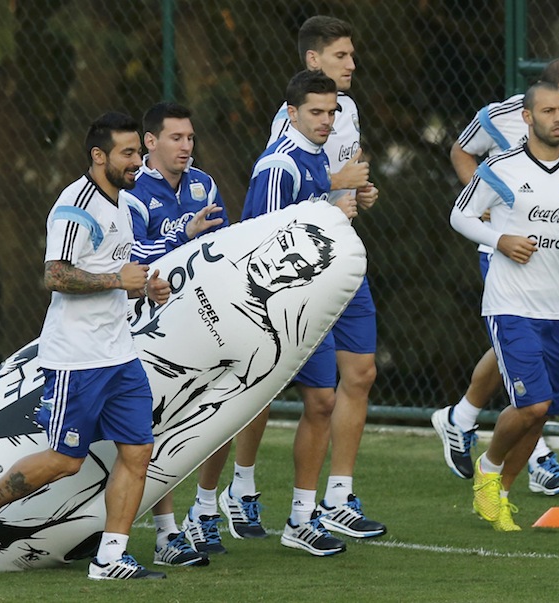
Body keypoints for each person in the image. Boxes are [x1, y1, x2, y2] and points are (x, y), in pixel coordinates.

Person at [0, 111, 173, 580]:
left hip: (119, 355)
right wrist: (117, 277)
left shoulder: (124, 205)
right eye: (127, 153)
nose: (137, 161)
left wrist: (141, 288)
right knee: (66, 461)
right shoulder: (75, 204)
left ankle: (110, 557)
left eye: (139, 152)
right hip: (77, 359)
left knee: (138, 451)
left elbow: (112, 278)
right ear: (98, 156)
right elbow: (55, 275)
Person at [218, 14, 385, 546]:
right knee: (265, 384)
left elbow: (345, 178)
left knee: (358, 374)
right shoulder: (285, 127)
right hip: (299, 274)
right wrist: (338, 190)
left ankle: (336, 498)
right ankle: (238, 488)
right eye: (341, 55)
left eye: (352, 55)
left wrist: (360, 194)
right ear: (313, 61)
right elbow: (284, 204)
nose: (351, 64)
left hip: (344, 258)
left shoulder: (347, 111)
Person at [433, 58, 559, 495]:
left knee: (534, 392)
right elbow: (461, 169)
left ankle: (462, 419)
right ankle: (527, 464)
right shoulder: (501, 134)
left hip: (554, 299)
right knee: (530, 394)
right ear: (531, 111)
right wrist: (497, 234)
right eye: (554, 108)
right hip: (503, 263)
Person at [238, 68, 356, 556]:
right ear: (291, 113)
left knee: (323, 402)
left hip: (312, 307)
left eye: (331, 112)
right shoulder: (279, 165)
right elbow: (260, 237)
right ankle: (209, 505)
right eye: (316, 112)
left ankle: (303, 518)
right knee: (243, 405)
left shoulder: (319, 160)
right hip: (273, 309)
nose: (326, 120)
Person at [119, 101, 227, 565]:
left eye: (190, 138)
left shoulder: (204, 184)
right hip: (144, 322)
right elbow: (136, 257)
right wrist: (185, 232)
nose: (186, 147)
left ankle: (205, 510)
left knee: (218, 409)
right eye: (176, 138)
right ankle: (167, 535)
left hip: (200, 317)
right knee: (155, 421)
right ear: (150, 142)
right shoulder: (131, 190)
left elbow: (219, 244)